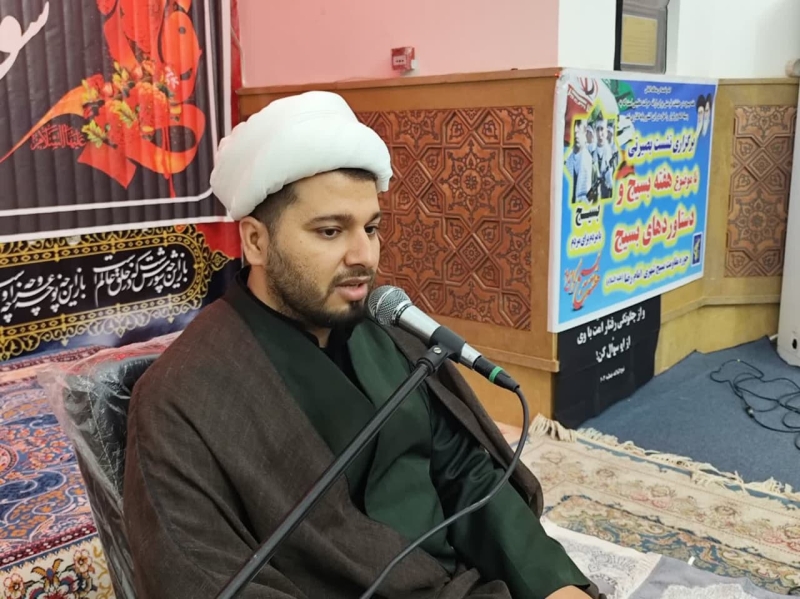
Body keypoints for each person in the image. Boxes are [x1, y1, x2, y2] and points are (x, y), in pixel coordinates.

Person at [123, 90, 605, 599]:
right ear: (256, 242)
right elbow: (202, 577)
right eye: (331, 231)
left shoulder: (388, 331)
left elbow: (466, 474)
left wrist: (553, 585)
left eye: (371, 228)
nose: (365, 256)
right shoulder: (181, 397)